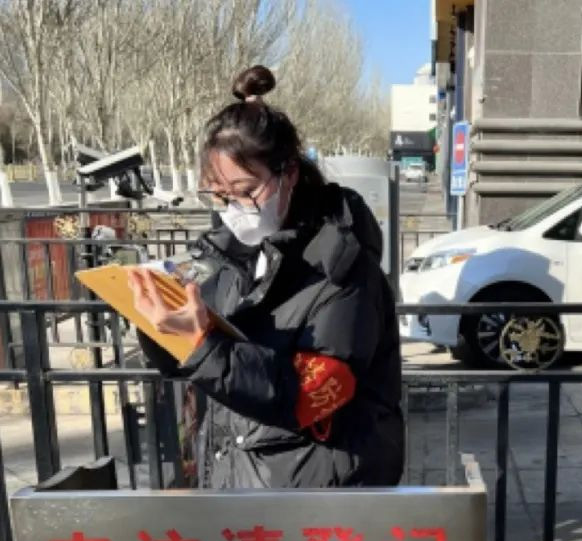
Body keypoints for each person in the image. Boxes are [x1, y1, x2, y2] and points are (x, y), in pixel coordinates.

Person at [128, 65, 403, 490]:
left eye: (245, 191)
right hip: (236, 484)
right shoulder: (222, 257)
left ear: (288, 174)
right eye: (219, 195)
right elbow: (200, 369)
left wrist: (203, 346)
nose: (234, 209)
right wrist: (159, 328)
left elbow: (311, 394)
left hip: (315, 494)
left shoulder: (341, 271)